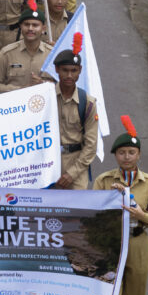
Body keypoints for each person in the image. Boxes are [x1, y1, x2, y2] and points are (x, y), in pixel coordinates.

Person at [94, 118, 148, 295]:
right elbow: (92, 214)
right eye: (121, 152)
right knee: (110, 293)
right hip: (111, 243)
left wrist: (142, 216)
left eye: (131, 152)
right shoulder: (104, 181)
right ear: (115, 155)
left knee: (136, 293)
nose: (127, 157)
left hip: (137, 241)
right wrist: (109, 202)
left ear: (139, 155)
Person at [52, 35, 99, 189]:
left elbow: (91, 145)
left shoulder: (88, 103)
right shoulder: (46, 97)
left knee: (77, 209)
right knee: (46, 209)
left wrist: (72, 173)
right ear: (57, 69)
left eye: (74, 70)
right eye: (65, 70)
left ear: (80, 71)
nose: (69, 76)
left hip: (76, 163)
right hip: (49, 162)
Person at [0, 0, 53, 94]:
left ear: (43, 29)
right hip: (15, 106)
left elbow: (62, 86)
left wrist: (42, 84)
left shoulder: (52, 54)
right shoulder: (7, 53)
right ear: (20, 27)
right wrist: (20, 90)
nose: (30, 28)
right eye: (26, 24)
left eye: (35, 25)